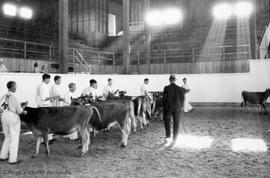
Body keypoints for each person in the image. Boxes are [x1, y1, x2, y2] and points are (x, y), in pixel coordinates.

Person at [0, 81, 27, 164]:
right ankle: (12, 159)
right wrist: (24, 111)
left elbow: (1, 107)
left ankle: (2, 156)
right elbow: (19, 111)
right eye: (15, 86)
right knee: (14, 138)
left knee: (7, 137)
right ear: (11, 87)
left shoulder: (3, 96)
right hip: (12, 117)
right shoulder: (14, 97)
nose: (16, 87)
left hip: (4, 116)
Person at [162, 75, 185, 145]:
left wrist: (164, 105)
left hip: (168, 108)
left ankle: (168, 136)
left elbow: (164, 98)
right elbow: (182, 98)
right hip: (177, 108)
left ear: (169, 80)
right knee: (176, 122)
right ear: (175, 80)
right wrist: (180, 106)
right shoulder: (180, 88)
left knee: (166, 121)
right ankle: (175, 138)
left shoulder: (166, 88)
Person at [36, 74, 58, 143]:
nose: (49, 81)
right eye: (49, 79)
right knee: (45, 124)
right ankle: (45, 139)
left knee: (47, 123)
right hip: (44, 106)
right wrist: (53, 97)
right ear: (46, 79)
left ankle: (49, 138)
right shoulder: (42, 86)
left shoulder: (42, 86)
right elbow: (43, 98)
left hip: (45, 105)